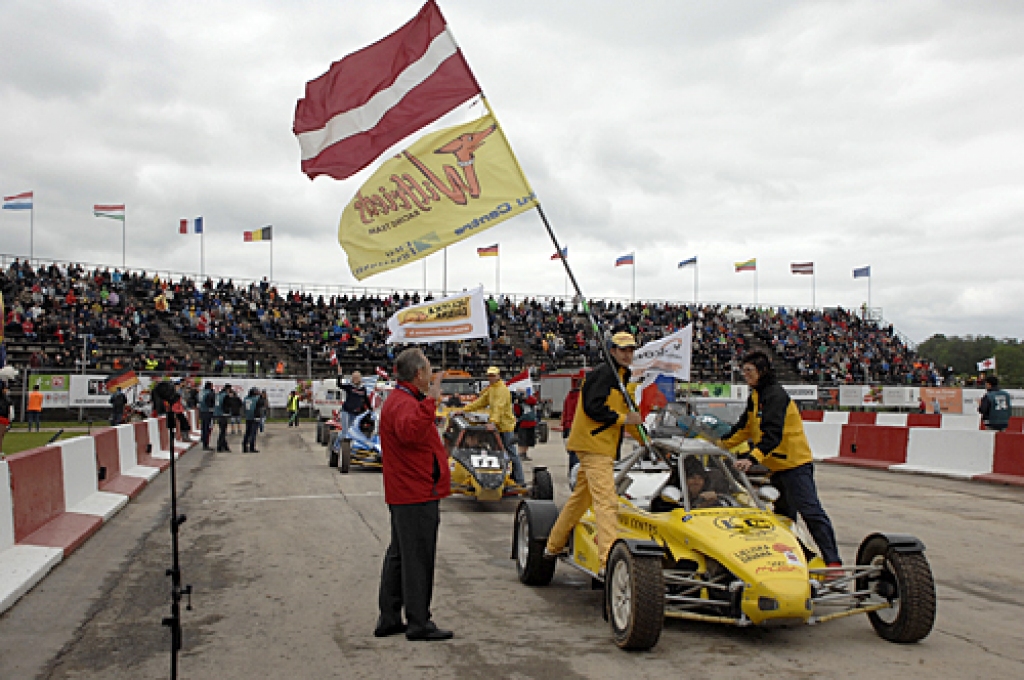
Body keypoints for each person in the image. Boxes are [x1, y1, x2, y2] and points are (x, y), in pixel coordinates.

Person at [725, 351, 843, 570]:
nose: (745, 376)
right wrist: (716, 445)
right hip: (776, 468)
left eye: (749, 371)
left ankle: (833, 562)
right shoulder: (755, 396)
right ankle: (793, 563)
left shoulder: (775, 396)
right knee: (783, 520)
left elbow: (773, 434)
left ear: (762, 371)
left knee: (811, 512)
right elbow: (743, 429)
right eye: (744, 371)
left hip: (796, 466)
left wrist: (752, 458)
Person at [545, 332, 642, 573]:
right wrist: (623, 418)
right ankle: (607, 562)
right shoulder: (604, 374)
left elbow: (630, 418)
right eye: (622, 350)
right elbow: (593, 408)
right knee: (607, 502)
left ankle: (552, 546)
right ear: (612, 351)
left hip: (599, 446)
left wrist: (645, 440)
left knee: (580, 500)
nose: (627, 354)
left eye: (630, 350)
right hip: (593, 445)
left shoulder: (622, 376)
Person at [375, 347, 453, 642]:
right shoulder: (407, 403)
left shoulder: (401, 400)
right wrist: (431, 400)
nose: (432, 375)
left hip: (407, 491)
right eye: (429, 370)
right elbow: (410, 431)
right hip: (415, 492)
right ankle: (419, 622)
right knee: (418, 558)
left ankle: (390, 616)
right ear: (419, 373)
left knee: (400, 555)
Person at [462, 366, 524, 486]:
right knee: (496, 453)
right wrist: (464, 409)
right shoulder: (491, 390)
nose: (491, 378)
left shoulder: (501, 389)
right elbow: (480, 402)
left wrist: (493, 422)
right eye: (489, 375)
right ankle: (498, 477)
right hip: (497, 427)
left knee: (511, 453)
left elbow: (498, 408)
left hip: (505, 427)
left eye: (493, 375)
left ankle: (519, 480)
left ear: (498, 376)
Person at [561, 372, 583, 475]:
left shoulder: (569, 396)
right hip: (578, 426)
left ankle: (571, 472)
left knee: (572, 453)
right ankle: (575, 473)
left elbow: (565, 412)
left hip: (568, 426)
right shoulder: (582, 397)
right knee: (578, 452)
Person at [340, 371, 370, 441]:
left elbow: (366, 400)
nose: (355, 379)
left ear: (360, 378)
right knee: (345, 432)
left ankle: (349, 448)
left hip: (355, 413)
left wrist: (371, 409)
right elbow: (339, 384)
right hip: (346, 411)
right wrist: (339, 375)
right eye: (354, 377)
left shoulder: (363, 389)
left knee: (352, 432)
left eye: (357, 377)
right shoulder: (349, 387)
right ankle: (336, 448)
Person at [516, 395, 539, 462]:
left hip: (531, 423)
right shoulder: (518, 405)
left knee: (529, 440)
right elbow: (517, 413)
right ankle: (521, 454)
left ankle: (524, 453)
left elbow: (534, 401)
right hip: (523, 424)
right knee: (522, 440)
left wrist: (525, 396)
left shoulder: (530, 402)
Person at [243, 387, 262, 453]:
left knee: (247, 432)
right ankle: (251, 447)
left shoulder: (246, 399)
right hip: (254, 417)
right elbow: (261, 404)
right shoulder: (256, 399)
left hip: (248, 417)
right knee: (253, 433)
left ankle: (244, 446)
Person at [198, 381, 215, 451]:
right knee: (208, 428)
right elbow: (210, 402)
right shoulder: (209, 393)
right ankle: (206, 444)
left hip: (202, 411)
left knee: (203, 427)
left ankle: (204, 441)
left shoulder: (201, 392)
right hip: (208, 411)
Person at [215, 384, 231, 452]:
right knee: (223, 432)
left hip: (217, 413)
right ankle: (220, 446)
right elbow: (226, 405)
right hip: (223, 414)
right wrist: (227, 413)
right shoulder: (225, 396)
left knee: (222, 431)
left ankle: (225, 446)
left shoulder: (218, 395)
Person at [0, 384, 13, 455]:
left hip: (4, 418)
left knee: (1, 436)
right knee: (1, 436)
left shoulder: (6, 398)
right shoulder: (6, 399)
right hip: (2, 418)